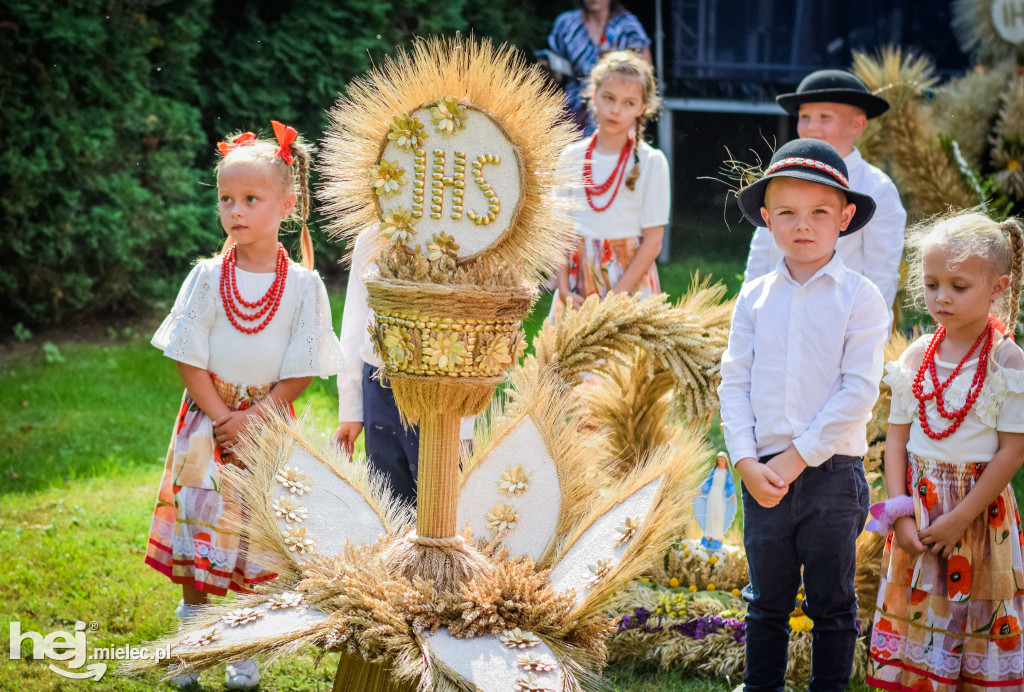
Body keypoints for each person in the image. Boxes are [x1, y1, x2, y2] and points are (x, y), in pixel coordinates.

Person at [146, 122, 344, 689]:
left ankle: (242, 651)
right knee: (200, 523)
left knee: (256, 532)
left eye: (251, 199)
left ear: (287, 203)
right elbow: (187, 353)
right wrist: (222, 415)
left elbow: (302, 365)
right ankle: (190, 644)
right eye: (226, 199)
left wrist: (257, 416)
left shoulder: (304, 285)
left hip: (268, 423)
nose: (236, 210)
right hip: (208, 423)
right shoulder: (208, 277)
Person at [718, 138, 890, 691]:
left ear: (845, 219)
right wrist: (746, 459)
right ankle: (761, 684)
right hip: (763, 474)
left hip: (830, 477)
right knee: (765, 598)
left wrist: (795, 460)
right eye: (787, 213)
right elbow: (734, 381)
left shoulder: (861, 299)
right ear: (767, 220)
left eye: (819, 212)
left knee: (831, 601)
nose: (803, 225)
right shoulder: (754, 298)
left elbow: (857, 393)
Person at [866, 211, 1024, 691]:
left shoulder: (1006, 360)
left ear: (998, 286)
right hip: (921, 509)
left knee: (975, 614)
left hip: (977, 514)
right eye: (932, 284)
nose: (941, 297)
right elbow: (897, 438)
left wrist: (960, 518)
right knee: (924, 611)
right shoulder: (917, 357)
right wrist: (901, 512)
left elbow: (1012, 452)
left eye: (958, 286)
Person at [743, 69, 907, 322]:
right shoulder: (782, 177)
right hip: (777, 313)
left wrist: (869, 333)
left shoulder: (876, 188)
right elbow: (762, 251)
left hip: (837, 319)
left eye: (824, 117)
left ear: (857, 124)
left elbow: (881, 273)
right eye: (805, 116)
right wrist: (749, 309)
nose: (812, 127)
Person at [334, 227, 474, 506]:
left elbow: (476, 332)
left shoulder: (465, 239)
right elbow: (354, 325)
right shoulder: (373, 237)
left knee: (443, 507)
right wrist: (351, 408)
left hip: (443, 392)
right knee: (389, 505)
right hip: (380, 389)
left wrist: (465, 424)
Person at [552, 50, 669, 315]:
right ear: (594, 96)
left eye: (629, 103)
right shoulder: (572, 156)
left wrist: (615, 297)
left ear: (643, 107)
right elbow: (559, 231)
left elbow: (653, 241)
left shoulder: (651, 162)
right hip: (576, 283)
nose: (616, 109)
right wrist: (563, 288)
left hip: (630, 282)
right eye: (609, 98)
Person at [543, 0, 651, 134]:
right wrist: (549, 70)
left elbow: (646, 76)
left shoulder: (627, 26)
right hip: (574, 110)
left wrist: (617, 64)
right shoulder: (566, 23)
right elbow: (555, 81)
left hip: (614, 105)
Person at [692, 452, 737, 550]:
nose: (720, 462)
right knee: (710, 514)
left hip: (720, 496)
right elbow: (708, 481)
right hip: (712, 494)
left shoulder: (727, 472)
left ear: (725, 461)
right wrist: (699, 489)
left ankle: (718, 538)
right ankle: (707, 535)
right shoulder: (714, 470)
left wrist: (732, 494)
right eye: (718, 461)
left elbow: (730, 485)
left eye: (722, 460)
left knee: (718, 516)